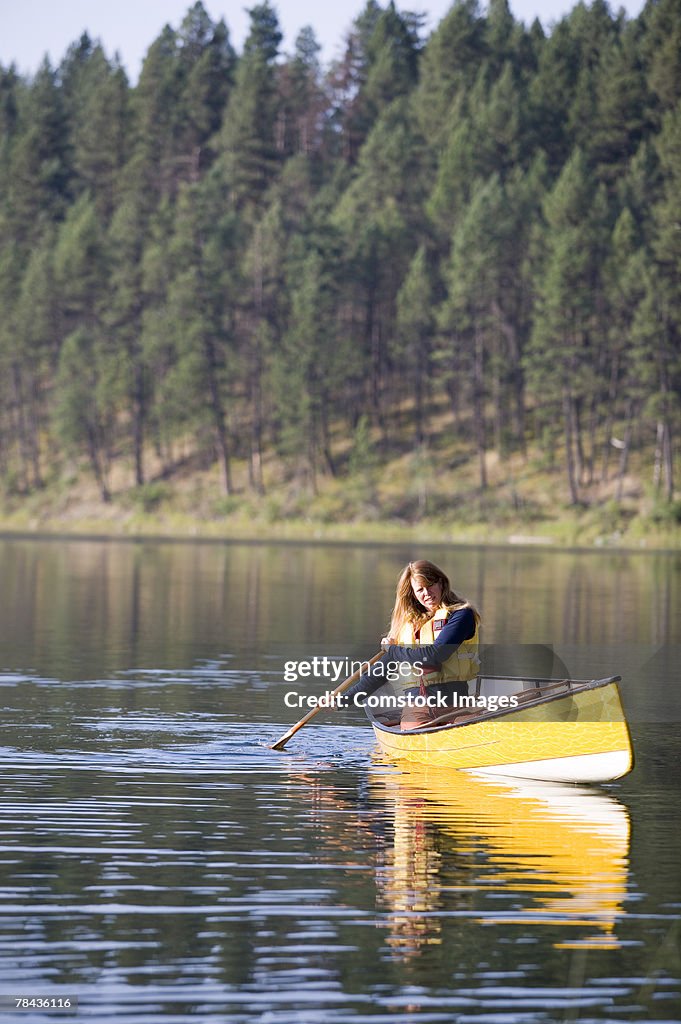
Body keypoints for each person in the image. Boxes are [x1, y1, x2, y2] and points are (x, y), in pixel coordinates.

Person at [342, 559, 481, 730]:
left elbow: (435, 656)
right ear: (413, 594)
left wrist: (393, 651)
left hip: (456, 704)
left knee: (471, 730)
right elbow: (378, 675)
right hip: (418, 708)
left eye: (430, 585)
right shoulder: (405, 627)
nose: (427, 593)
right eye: (420, 590)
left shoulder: (461, 615)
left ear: (441, 583)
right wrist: (342, 700)